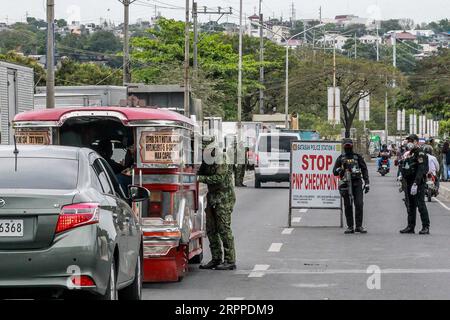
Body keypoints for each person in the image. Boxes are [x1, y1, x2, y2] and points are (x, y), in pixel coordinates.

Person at [198, 136, 237, 270]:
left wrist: (199, 178)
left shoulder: (221, 158)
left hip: (224, 197)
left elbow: (218, 178)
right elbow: (200, 171)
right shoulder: (207, 159)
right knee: (211, 229)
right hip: (213, 196)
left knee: (224, 229)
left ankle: (230, 260)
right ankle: (216, 258)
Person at [333, 138, 370, 234]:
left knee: (359, 204)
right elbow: (334, 172)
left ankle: (359, 226)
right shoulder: (341, 158)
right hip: (345, 184)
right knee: (348, 205)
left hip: (357, 182)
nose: (348, 147)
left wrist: (367, 183)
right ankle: (350, 226)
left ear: (352, 146)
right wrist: (340, 169)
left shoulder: (357, 157)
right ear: (344, 146)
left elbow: (364, 169)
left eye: (349, 145)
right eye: (346, 145)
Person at [399, 134, 430, 235]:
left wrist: (416, 183)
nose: (409, 143)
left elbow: (422, 169)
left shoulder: (420, 153)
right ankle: (410, 226)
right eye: (408, 141)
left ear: (416, 142)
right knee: (410, 205)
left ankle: (425, 227)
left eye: (411, 141)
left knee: (420, 204)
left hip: (418, 183)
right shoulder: (410, 153)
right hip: (408, 182)